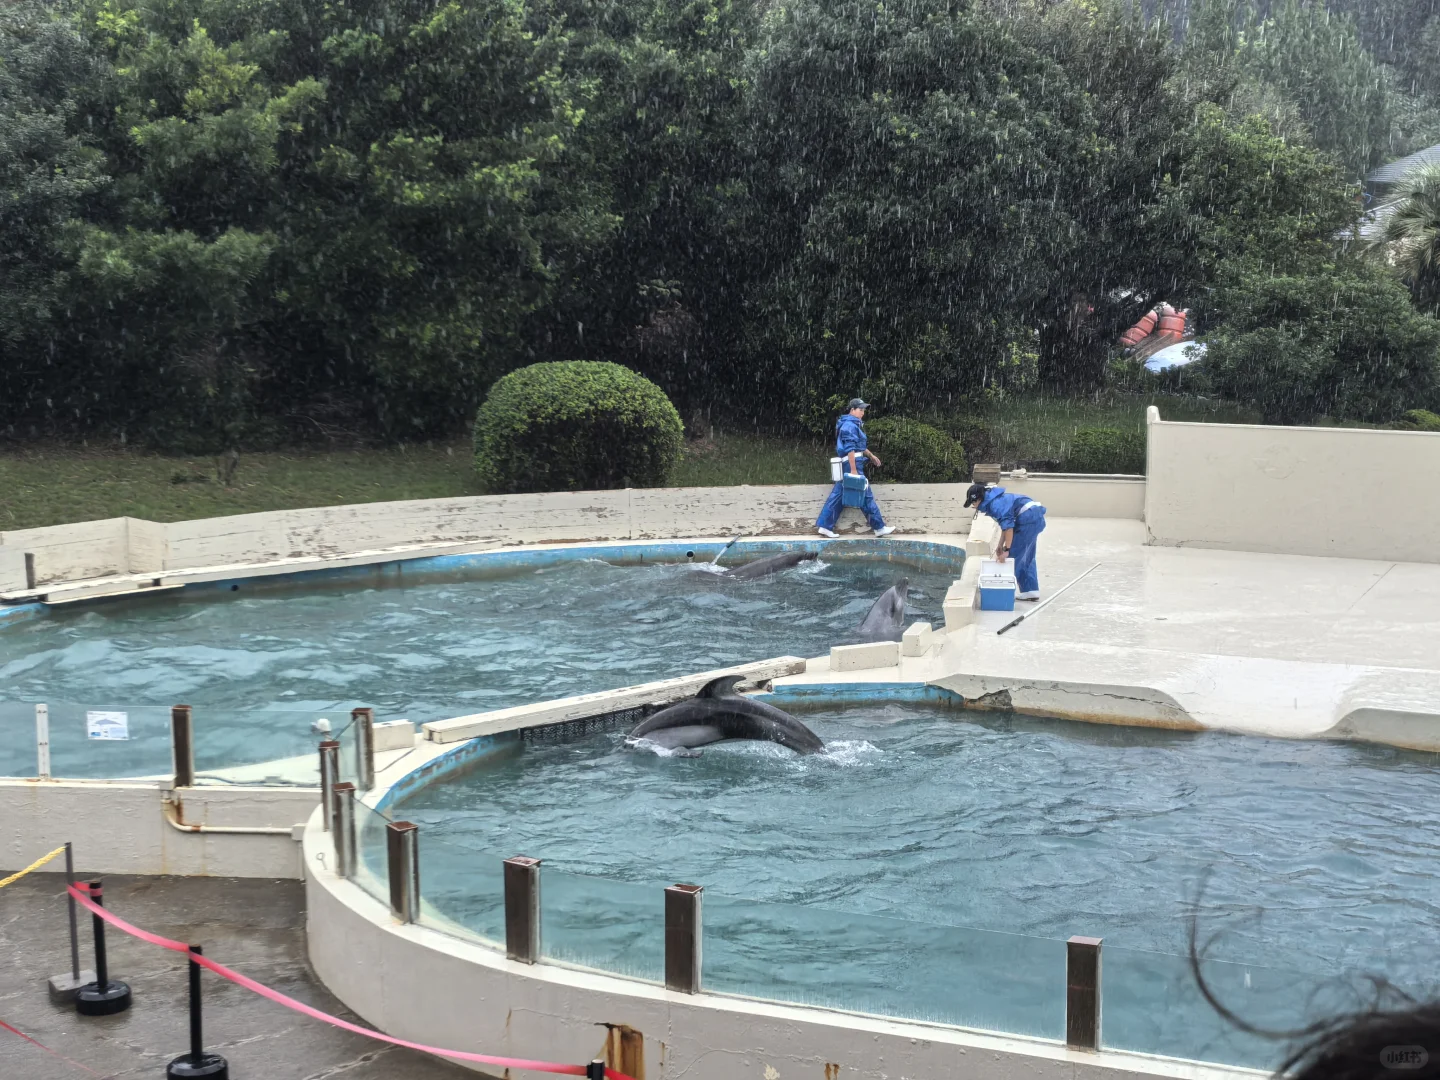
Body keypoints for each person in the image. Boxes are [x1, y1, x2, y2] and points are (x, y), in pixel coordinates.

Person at [816, 399, 895, 539]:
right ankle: (879, 527)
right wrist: (853, 470)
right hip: (852, 465)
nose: (863, 412)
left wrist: (871, 456)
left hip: (852, 464)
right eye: (860, 409)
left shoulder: (852, 424)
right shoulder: (849, 426)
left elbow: (860, 446)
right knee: (865, 495)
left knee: (839, 496)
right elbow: (850, 449)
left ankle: (825, 526)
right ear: (852, 409)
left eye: (864, 410)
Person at [964, 481, 1046, 600]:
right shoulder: (995, 500)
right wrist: (1000, 545)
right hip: (1034, 518)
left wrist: (1007, 550)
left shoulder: (995, 505)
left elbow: (1008, 528)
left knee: (1011, 557)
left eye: (973, 503)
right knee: (1026, 555)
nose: (974, 506)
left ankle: (1002, 595)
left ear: (978, 499)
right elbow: (1005, 526)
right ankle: (1030, 590)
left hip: (1028, 520)